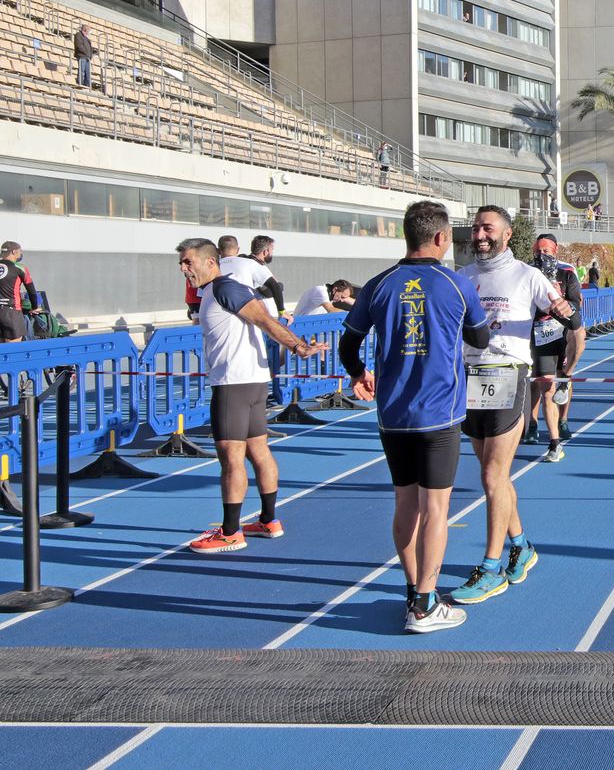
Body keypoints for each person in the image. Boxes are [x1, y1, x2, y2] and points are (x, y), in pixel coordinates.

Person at [340, 200, 491, 633]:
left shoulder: (378, 284)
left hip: (393, 413)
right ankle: (426, 603)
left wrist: (357, 375)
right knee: (436, 508)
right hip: (440, 413)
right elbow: (479, 337)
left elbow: (348, 344)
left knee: (405, 503)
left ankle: (413, 590)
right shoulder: (457, 284)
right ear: (441, 238)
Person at [450, 206, 576, 605]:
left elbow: (569, 318)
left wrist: (565, 312)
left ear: (506, 235)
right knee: (496, 477)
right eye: (476, 229)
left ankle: (490, 568)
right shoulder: (462, 277)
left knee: (491, 476)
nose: (480, 235)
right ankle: (522, 545)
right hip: (471, 378)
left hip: (508, 375)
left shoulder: (528, 275)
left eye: (488, 228)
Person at [177, 238, 329, 555]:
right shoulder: (214, 292)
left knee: (231, 460)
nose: (183, 268)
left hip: (234, 384)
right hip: (251, 381)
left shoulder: (224, 288)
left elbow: (263, 319)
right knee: (257, 450)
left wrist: (299, 347)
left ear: (209, 261)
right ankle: (268, 520)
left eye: (188, 262)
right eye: (181, 262)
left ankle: (231, 532)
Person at [534, 234, 585, 441]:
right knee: (541, 384)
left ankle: (563, 420)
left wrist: (560, 299)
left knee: (564, 375)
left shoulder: (567, 273)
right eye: (537, 251)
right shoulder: (529, 273)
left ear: (555, 251)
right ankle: (533, 425)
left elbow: (576, 303)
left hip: (563, 330)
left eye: (545, 251)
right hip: (538, 331)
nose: (541, 255)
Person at [0, 242, 40, 343]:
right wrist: (34, 307)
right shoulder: (20, 268)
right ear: (14, 252)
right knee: (13, 350)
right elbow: (31, 291)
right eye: (20, 252)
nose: (21, 254)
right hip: (11, 313)